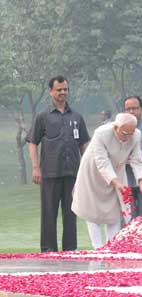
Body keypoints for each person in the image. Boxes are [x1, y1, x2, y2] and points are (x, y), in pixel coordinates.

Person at [26, 75, 90, 252]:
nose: (63, 92)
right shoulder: (42, 116)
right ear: (51, 91)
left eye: (65, 89)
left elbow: (84, 143)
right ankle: (48, 251)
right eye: (59, 89)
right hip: (50, 173)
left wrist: (86, 168)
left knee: (71, 214)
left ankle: (70, 251)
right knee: (49, 213)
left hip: (73, 173)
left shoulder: (76, 116)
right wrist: (35, 167)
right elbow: (32, 142)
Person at [71, 113, 142, 249]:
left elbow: (137, 159)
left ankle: (112, 246)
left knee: (115, 210)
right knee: (93, 210)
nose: (128, 137)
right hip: (93, 172)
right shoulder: (101, 133)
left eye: (131, 133)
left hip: (117, 170)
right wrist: (115, 182)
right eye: (125, 133)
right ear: (115, 128)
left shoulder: (136, 135)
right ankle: (97, 247)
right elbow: (102, 162)